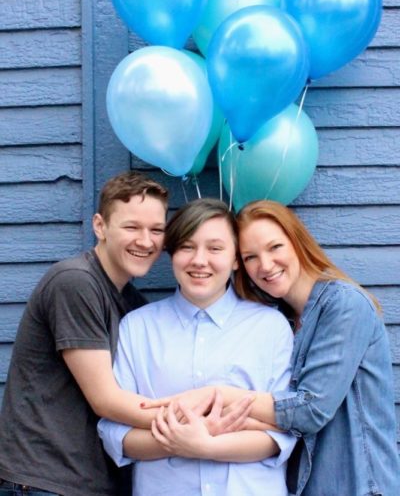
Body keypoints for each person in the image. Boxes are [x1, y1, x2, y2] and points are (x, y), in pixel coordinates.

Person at [98, 198, 296, 496]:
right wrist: (191, 437)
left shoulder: (271, 327)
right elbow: (118, 434)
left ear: (235, 259)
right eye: (187, 247)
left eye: (215, 248)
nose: (199, 261)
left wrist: (204, 443)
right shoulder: (137, 328)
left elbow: (282, 432)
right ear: (173, 253)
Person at [0, 171, 170, 496]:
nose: (146, 241)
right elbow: (106, 400)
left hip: (89, 482)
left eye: (156, 230)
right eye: (132, 227)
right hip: (45, 481)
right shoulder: (75, 282)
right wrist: (197, 426)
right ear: (100, 226)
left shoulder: (133, 305)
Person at [233, 200, 400, 496]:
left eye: (275, 247)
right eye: (250, 257)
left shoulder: (344, 305)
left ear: (297, 241)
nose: (266, 265)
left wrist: (223, 400)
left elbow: (311, 409)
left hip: (361, 487)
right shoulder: (279, 322)